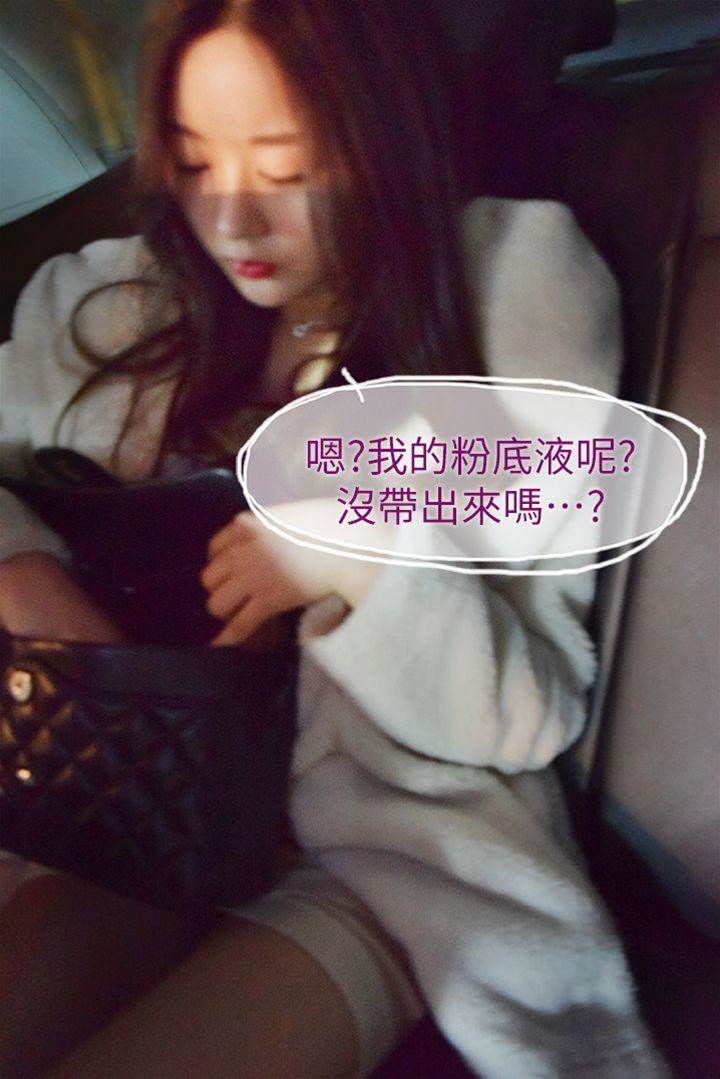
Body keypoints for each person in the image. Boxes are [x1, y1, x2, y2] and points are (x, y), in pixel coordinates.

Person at [0, 1, 668, 1076]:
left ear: (386, 136)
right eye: (194, 163)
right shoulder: (109, 305)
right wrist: (25, 570)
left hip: (381, 854)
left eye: (289, 167)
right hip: (131, 799)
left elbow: (528, 709)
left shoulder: (515, 291)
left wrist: (357, 558)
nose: (234, 221)